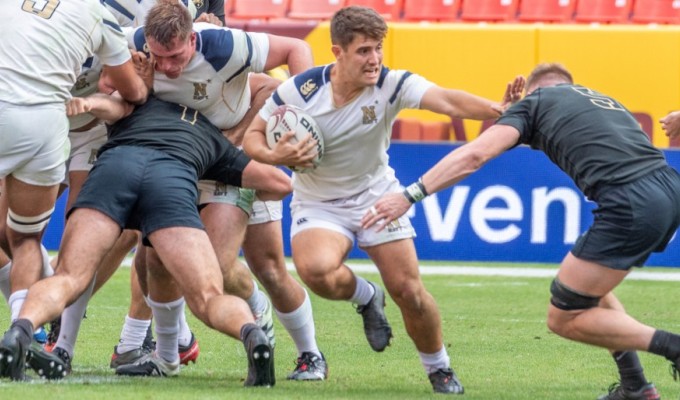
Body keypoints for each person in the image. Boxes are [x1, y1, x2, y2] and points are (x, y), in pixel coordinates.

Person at [242, 5, 523, 394]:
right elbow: (253, 137)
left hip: (377, 198)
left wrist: (497, 109)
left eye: (378, 49)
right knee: (316, 271)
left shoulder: (391, 84)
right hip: (319, 203)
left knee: (409, 291)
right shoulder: (302, 90)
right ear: (337, 51)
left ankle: (439, 367)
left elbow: (447, 100)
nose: (374, 59)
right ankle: (366, 295)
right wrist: (277, 157)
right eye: (363, 51)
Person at [363, 62, 680, 400]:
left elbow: (475, 155)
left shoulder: (535, 103)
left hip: (630, 201)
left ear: (533, 90)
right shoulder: (600, 100)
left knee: (564, 316)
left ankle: (672, 346)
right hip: (668, 188)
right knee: (589, 289)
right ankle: (635, 385)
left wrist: (410, 195)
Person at [0, 91, 291, 385]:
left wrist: (87, 104)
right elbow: (279, 183)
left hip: (115, 171)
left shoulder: (137, 104)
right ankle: (252, 334)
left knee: (69, 276)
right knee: (208, 297)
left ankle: (21, 330)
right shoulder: (215, 139)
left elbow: (106, 104)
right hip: (172, 185)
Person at [118, 1, 329, 381]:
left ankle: (309, 352)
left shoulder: (225, 46)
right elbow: (109, 82)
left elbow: (294, 53)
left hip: (231, 164)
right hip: (178, 163)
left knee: (249, 267)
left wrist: (303, 118)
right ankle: (166, 358)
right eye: (159, 56)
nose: (167, 66)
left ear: (193, 39)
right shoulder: (132, 46)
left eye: (176, 56)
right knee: (156, 263)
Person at [0, 0, 148, 375]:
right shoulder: (99, 14)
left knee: (80, 238)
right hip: (45, 122)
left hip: (87, 128)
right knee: (25, 239)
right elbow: (135, 91)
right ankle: (26, 328)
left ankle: (54, 340)